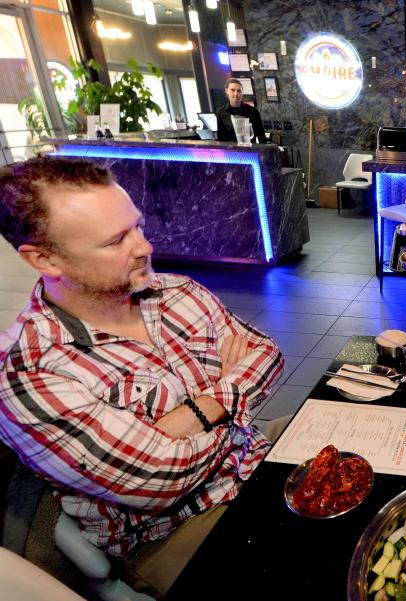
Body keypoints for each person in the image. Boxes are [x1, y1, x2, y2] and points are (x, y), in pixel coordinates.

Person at [0, 156, 284, 596]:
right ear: (44, 258)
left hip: (257, 459)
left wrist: (195, 414)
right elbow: (162, 484)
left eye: (137, 225)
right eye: (115, 241)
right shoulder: (26, 374)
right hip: (176, 532)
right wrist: (231, 394)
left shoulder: (175, 291)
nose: (143, 247)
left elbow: (267, 353)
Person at [215, 78, 267, 144]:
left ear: (242, 93)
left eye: (239, 91)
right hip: (232, 152)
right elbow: (221, 139)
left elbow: (261, 137)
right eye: (232, 90)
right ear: (226, 91)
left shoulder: (253, 112)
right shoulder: (221, 112)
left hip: (251, 151)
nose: (236, 94)